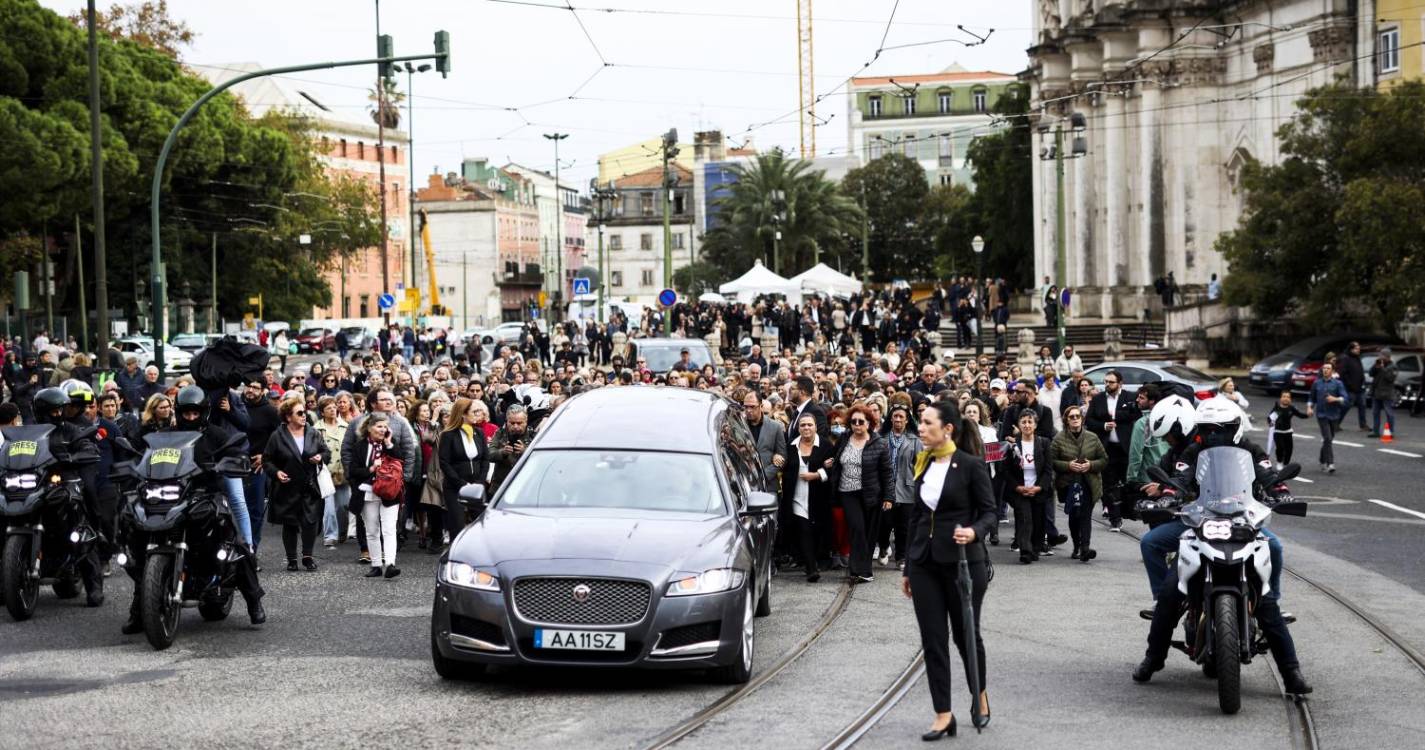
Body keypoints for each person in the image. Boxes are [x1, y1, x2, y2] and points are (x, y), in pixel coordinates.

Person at [1132, 398, 1309, 695]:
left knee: (1267, 602)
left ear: (1235, 428)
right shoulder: (1193, 451)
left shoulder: (1251, 450)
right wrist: (1167, 496)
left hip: (1244, 524)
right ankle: (1153, 658)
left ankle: (1291, 672)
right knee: (1169, 593)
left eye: (1221, 429)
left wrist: (1282, 493)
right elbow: (1180, 476)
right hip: (1201, 524)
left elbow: (1268, 475)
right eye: (1208, 429)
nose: (1214, 434)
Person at [121, 386, 265, 632]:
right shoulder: (165, 436)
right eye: (185, 413)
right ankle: (139, 610)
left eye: (194, 413)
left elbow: (237, 450)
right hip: (171, 496)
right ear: (179, 411)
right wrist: (134, 466)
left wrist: (233, 461)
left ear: (203, 411)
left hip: (206, 495)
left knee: (235, 543)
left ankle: (254, 601)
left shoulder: (216, 435)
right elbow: (145, 456)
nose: (190, 417)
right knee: (141, 540)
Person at [901, 401, 994, 741]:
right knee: (934, 639)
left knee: (966, 635)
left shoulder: (970, 466)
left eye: (926, 423)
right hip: (925, 563)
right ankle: (943, 713)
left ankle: (979, 694)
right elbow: (916, 517)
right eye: (920, 422)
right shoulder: (922, 462)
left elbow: (989, 512)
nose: (920, 428)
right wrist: (908, 567)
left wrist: (974, 532)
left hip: (963, 563)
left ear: (948, 428)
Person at [828, 403, 892, 583]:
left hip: (870, 493)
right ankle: (856, 569)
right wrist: (830, 463)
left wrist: (888, 497)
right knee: (857, 529)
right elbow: (836, 457)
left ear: (869, 423)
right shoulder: (844, 439)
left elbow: (887, 472)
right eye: (853, 421)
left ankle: (864, 571)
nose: (857, 425)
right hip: (847, 492)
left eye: (861, 421)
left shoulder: (879, 443)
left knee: (869, 533)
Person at [783, 412, 835, 582]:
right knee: (803, 529)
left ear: (815, 427)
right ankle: (812, 569)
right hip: (796, 497)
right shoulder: (791, 446)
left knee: (815, 531)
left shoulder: (826, 445)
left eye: (809, 425)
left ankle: (815, 561)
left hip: (818, 497)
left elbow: (834, 468)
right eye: (803, 425)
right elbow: (785, 467)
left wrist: (817, 474)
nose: (806, 428)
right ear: (798, 428)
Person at [1052, 404, 1107, 562]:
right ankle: (1077, 546)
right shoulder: (1059, 438)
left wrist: (1091, 465)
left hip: (1089, 482)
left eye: (1077, 416)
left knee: (1085, 515)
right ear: (1066, 420)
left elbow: (1104, 460)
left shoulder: (1092, 437)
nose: (1075, 419)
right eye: (1071, 417)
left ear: (1082, 419)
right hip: (1069, 483)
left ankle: (1085, 548)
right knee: (1075, 515)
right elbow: (1052, 461)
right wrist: (1068, 465)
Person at [349, 412, 401, 578]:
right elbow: (352, 471)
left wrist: (388, 443)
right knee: (372, 530)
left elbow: (401, 460)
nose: (383, 429)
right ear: (370, 428)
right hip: (367, 491)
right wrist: (371, 469)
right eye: (379, 426)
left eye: (385, 426)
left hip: (389, 492)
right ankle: (376, 565)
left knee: (389, 529)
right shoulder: (359, 446)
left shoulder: (391, 443)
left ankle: (390, 564)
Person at [1085, 370, 1138, 531]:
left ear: (1120, 383)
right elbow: (1089, 421)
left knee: (1126, 482)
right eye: (1106, 381)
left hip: (1125, 447)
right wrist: (1103, 425)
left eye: (1111, 382)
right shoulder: (1098, 399)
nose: (1107, 385)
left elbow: (1136, 415)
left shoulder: (1129, 397)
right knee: (1108, 483)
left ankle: (1125, 510)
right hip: (1106, 448)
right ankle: (1115, 517)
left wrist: (1118, 416)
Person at [1004, 410, 1053, 564]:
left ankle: (1035, 548)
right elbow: (1005, 471)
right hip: (1020, 490)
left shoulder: (1044, 443)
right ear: (1019, 425)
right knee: (1025, 518)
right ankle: (1025, 550)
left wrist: (1039, 488)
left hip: (1038, 489)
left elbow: (1048, 469)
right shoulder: (1012, 445)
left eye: (1030, 422)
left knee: (1038, 521)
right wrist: (1018, 487)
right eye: (1023, 422)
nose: (1027, 425)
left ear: (1035, 425)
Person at [438, 397, 490, 536]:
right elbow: (444, 462)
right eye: (474, 411)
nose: (477, 414)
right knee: (457, 525)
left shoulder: (479, 433)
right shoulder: (448, 435)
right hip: (455, 487)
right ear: (463, 414)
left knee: (481, 525)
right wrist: (461, 484)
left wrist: (480, 482)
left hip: (477, 486)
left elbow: (485, 459)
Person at [881, 403, 923, 569]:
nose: (898, 419)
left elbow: (920, 466)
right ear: (891, 418)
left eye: (901, 417)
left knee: (903, 526)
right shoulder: (882, 439)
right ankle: (883, 546)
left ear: (907, 421)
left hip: (907, 487)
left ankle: (901, 557)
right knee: (884, 523)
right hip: (886, 489)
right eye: (895, 416)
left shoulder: (914, 440)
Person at [314, 396, 349, 547]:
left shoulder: (346, 426)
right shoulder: (316, 429)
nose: (333, 410)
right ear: (322, 412)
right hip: (325, 472)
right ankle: (330, 535)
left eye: (334, 407)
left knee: (343, 505)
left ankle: (342, 531)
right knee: (329, 507)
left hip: (343, 472)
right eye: (329, 408)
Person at [1306, 361, 1347, 473]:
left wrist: (1335, 399)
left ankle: (1322, 459)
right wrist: (1309, 408)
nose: (1325, 370)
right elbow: (1311, 398)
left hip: (1334, 416)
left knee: (1328, 440)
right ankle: (1330, 463)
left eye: (1328, 368)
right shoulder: (1317, 383)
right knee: (1328, 438)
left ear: (1332, 371)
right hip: (1322, 415)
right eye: (1324, 368)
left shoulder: (1338, 384)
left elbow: (1345, 398)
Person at [488, 404, 530, 494]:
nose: (515, 426)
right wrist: (502, 452)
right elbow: (489, 455)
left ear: (526, 422)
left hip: (525, 486)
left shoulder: (533, 434)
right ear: (507, 422)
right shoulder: (500, 433)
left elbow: (540, 458)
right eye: (512, 423)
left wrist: (525, 451)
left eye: (519, 423)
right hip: (500, 486)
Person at [1266, 391, 1308, 469]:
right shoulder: (1278, 409)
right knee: (1280, 447)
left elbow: (1300, 415)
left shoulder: (1291, 408)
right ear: (1280, 398)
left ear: (1290, 399)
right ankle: (1279, 462)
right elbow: (1270, 418)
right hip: (1278, 432)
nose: (1286, 398)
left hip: (1288, 432)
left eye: (1288, 397)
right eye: (1284, 396)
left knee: (1289, 449)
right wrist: (1270, 422)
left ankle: (1285, 463)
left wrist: (1308, 415)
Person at [1368, 348, 1398, 438]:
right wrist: (1375, 366)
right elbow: (1370, 373)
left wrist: (1382, 368)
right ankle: (1375, 431)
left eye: (1382, 355)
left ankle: (1390, 431)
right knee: (1375, 413)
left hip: (1387, 394)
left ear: (1388, 357)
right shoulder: (1378, 364)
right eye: (1380, 355)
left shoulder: (1393, 367)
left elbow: (1390, 378)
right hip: (1376, 393)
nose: (1380, 357)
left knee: (1389, 413)